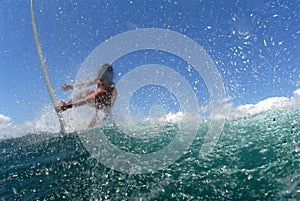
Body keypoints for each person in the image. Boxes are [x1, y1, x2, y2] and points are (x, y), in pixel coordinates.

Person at [55, 63, 117, 128]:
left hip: (104, 106)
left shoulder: (106, 89)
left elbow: (85, 100)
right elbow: (87, 83)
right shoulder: (100, 78)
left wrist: (68, 106)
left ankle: (89, 128)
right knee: (86, 92)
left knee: (97, 119)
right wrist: (71, 87)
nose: (100, 77)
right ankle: (65, 104)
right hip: (97, 100)